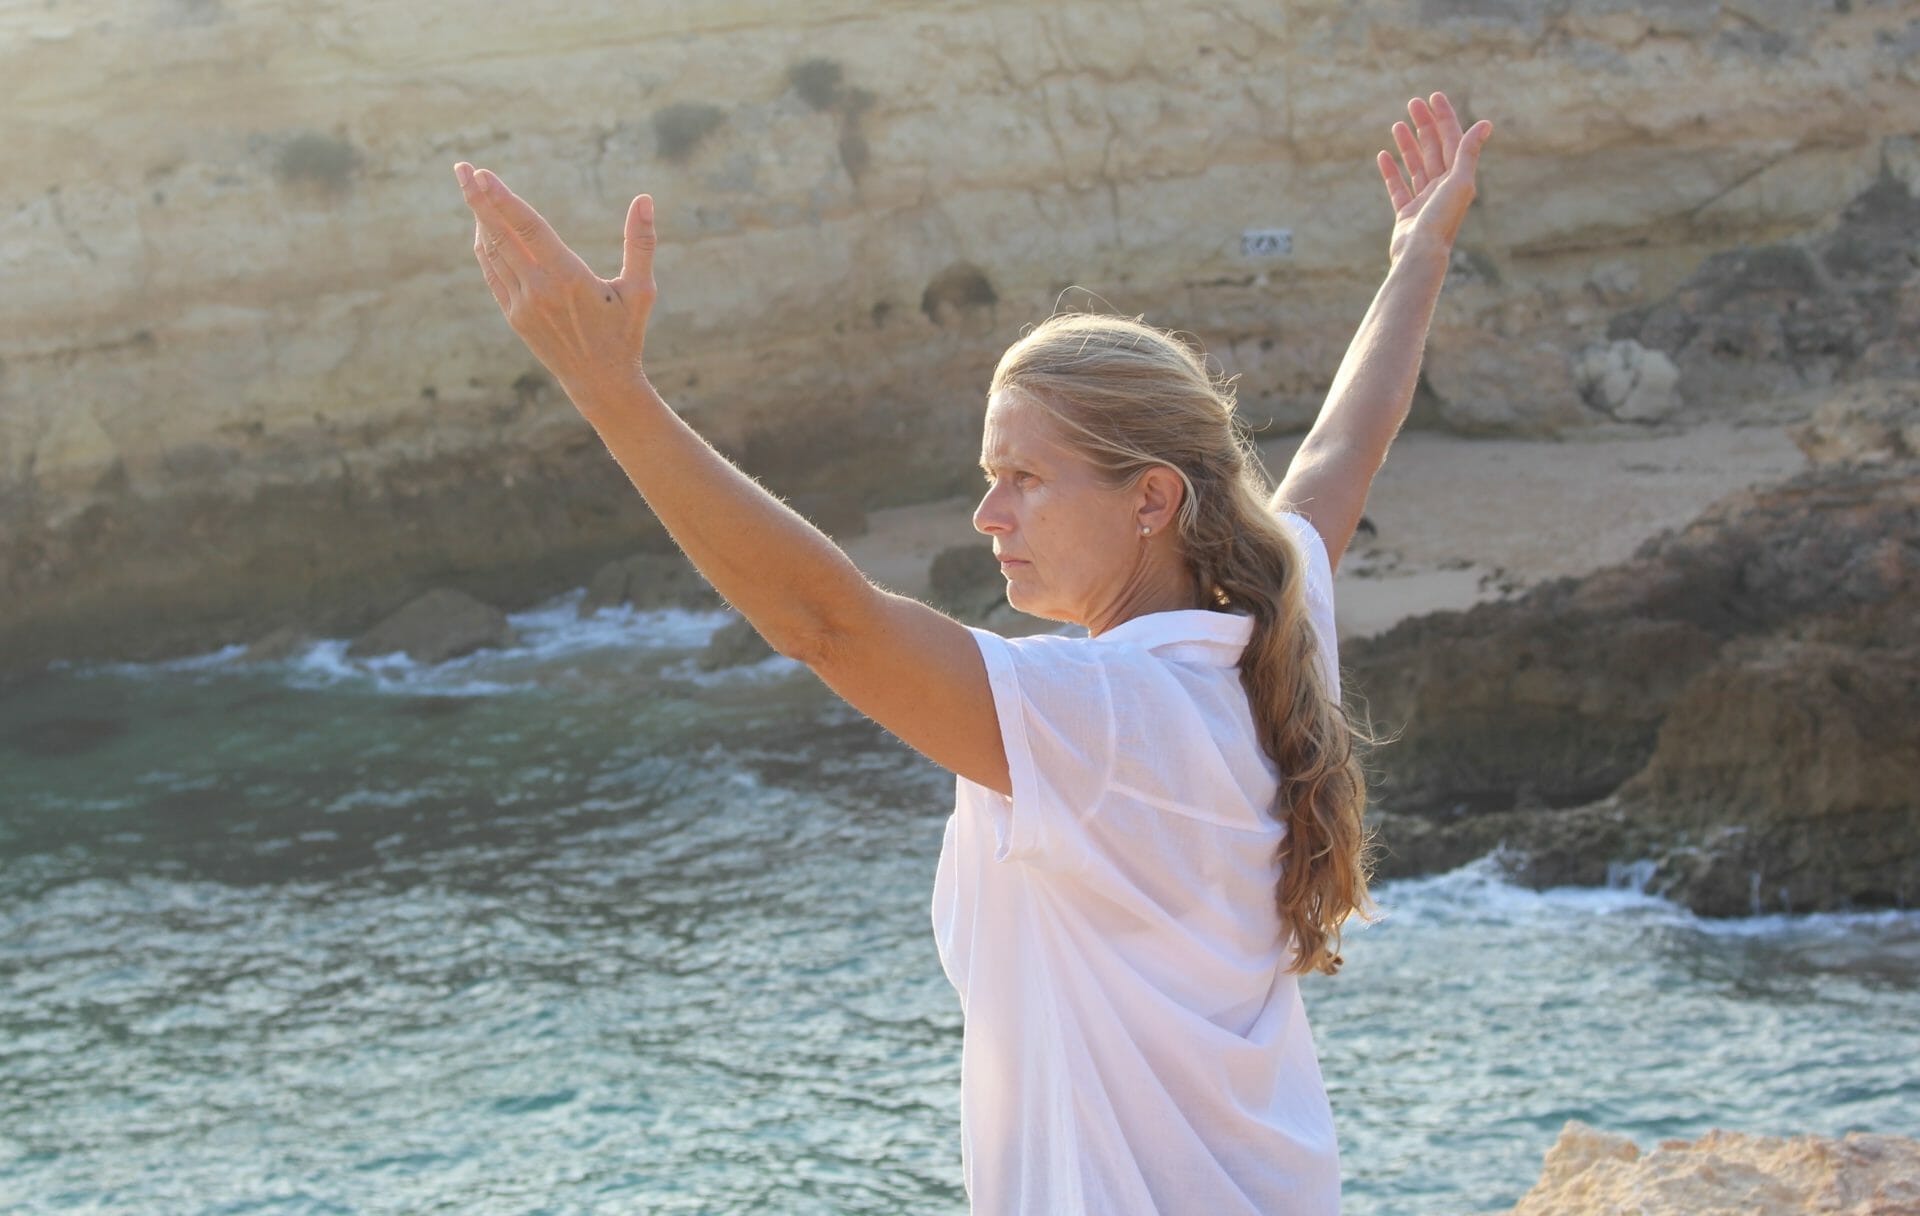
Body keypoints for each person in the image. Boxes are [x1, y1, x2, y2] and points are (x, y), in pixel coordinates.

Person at [455, 90, 1491, 1214]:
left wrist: (609, 389)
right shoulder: (1269, 628)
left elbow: (827, 623)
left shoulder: (1111, 718)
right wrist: (1415, 255)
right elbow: (1344, 448)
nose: (988, 517)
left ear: (1152, 499)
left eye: (1024, 479)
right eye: (987, 478)